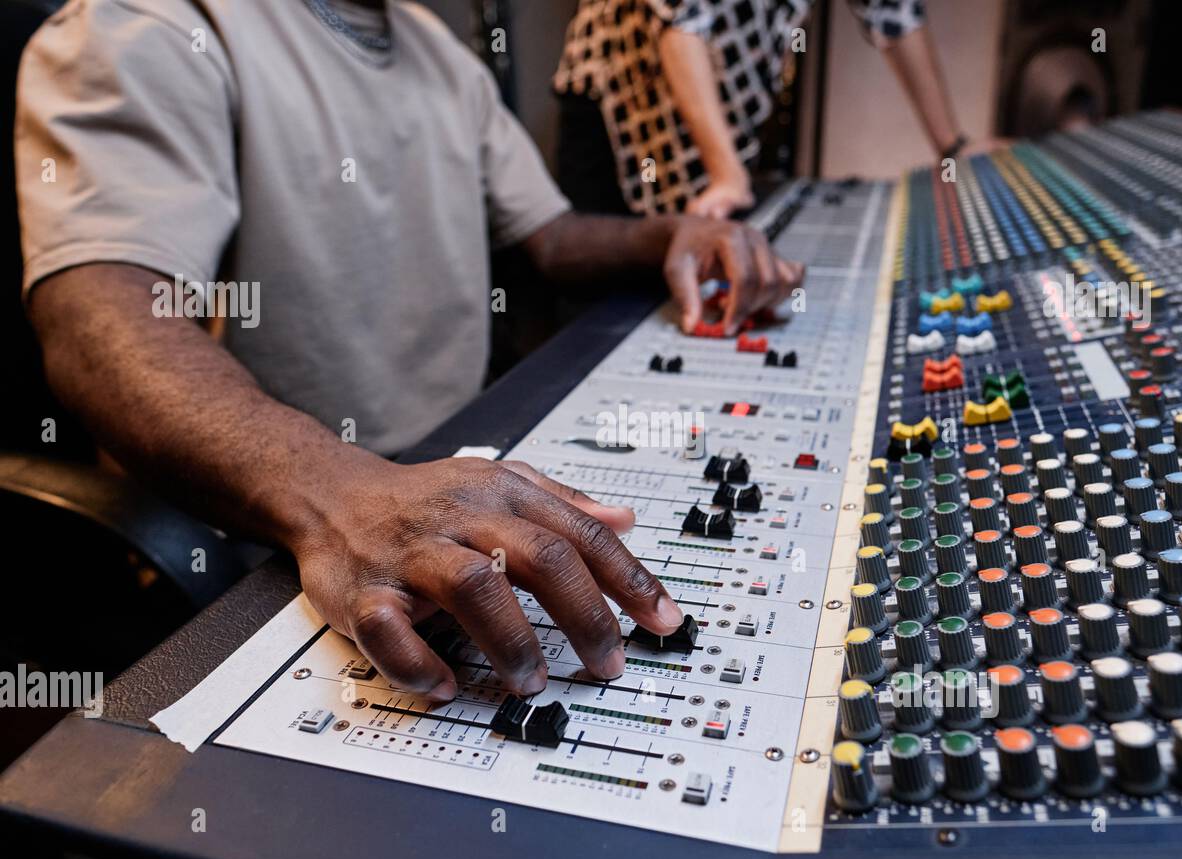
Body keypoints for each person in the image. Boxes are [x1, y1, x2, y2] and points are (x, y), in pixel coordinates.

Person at [15, 0, 803, 699]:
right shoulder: (147, 24)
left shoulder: (433, 44)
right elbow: (100, 320)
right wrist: (337, 492)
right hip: (282, 535)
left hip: (449, 483)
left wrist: (675, 235)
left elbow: (554, 239)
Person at [554, 0, 970, 218]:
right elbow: (682, 24)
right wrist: (728, 174)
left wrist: (953, 147)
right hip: (619, 110)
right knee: (610, 309)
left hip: (717, 116)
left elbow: (895, 14)